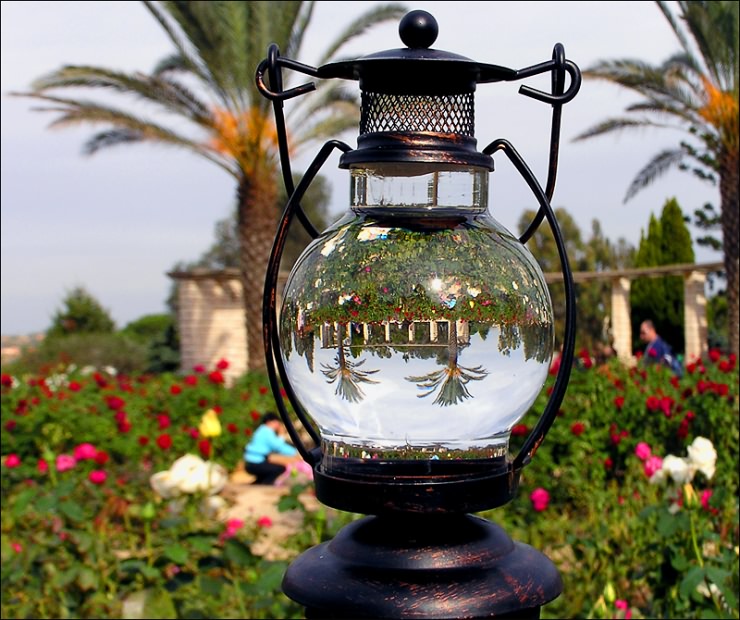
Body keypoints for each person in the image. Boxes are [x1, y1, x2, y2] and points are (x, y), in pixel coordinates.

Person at [244, 412, 302, 485]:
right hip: (255, 463)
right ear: (269, 422)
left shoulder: (262, 430)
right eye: (277, 422)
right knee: (280, 469)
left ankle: (258, 484)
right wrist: (282, 434)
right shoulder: (266, 431)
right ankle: (265, 486)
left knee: (268, 470)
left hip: (251, 463)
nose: (278, 425)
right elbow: (278, 446)